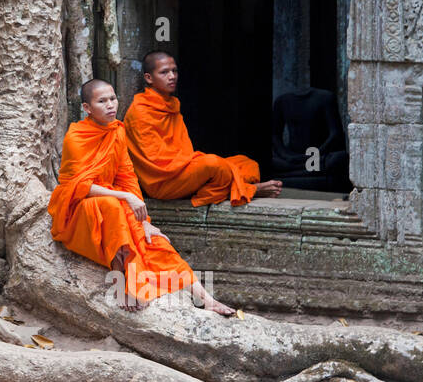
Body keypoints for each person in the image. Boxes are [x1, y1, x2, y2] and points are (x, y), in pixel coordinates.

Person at [48, 79, 234, 314]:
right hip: (77, 207)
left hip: (114, 200)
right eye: (101, 101)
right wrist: (126, 197)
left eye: (113, 99)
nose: (110, 105)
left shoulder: (117, 130)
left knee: (155, 241)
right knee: (112, 207)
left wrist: (144, 221)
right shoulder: (77, 137)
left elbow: (126, 176)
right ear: (87, 108)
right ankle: (121, 280)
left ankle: (207, 299)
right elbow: (78, 185)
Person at [123, 52, 282, 206]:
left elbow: (182, 151)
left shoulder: (171, 104)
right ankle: (249, 189)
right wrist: (197, 162)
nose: (172, 76)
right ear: (149, 78)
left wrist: (195, 163)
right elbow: (157, 162)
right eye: (164, 72)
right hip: (163, 182)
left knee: (247, 164)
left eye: (174, 71)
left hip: (183, 170)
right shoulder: (140, 112)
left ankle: (227, 186)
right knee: (213, 165)